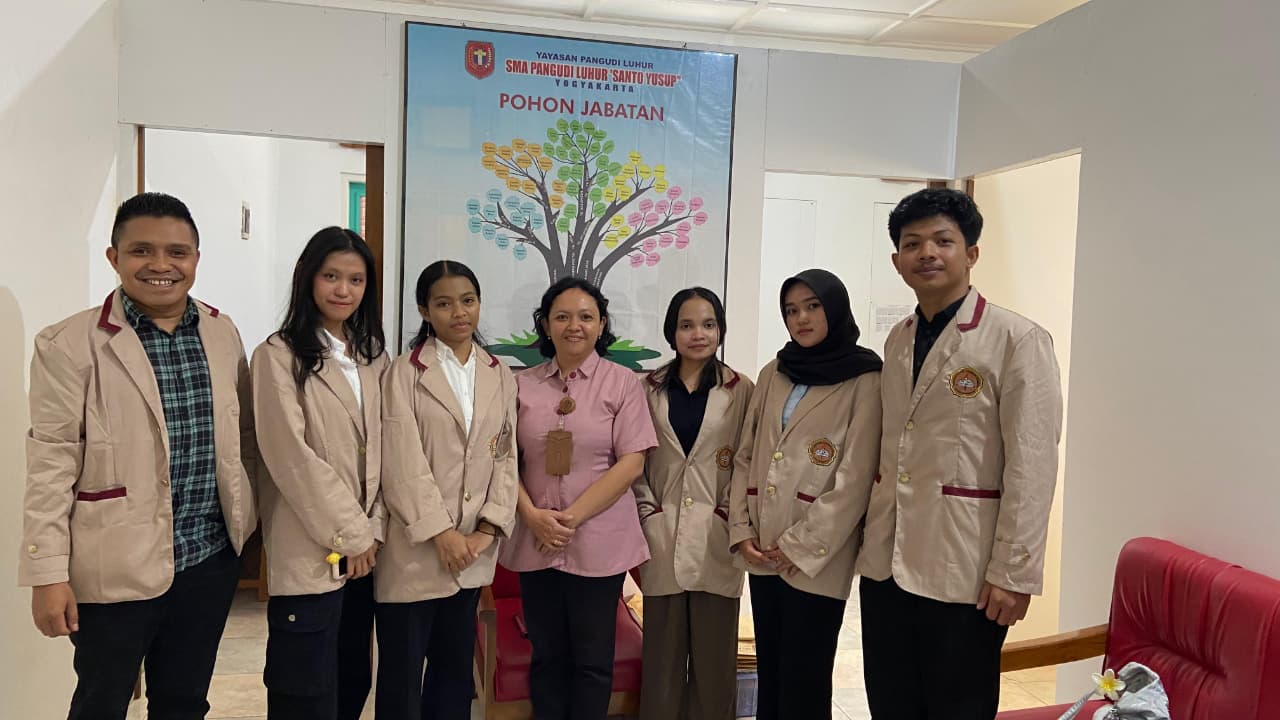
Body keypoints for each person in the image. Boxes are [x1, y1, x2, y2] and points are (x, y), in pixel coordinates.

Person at [19, 192, 257, 720]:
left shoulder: (221, 332)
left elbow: (241, 438)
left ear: (196, 259)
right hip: (114, 564)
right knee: (101, 703)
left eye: (177, 252)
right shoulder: (67, 344)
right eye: (142, 250)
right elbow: (50, 465)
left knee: (184, 702)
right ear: (114, 257)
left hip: (207, 559)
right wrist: (47, 574)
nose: (161, 265)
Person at [858, 188, 1063, 719]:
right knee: (891, 703)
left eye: (942, 241)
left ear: (971, 253)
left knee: (957, 706)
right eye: (912, 243)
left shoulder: (1017, 339)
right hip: (887, 564)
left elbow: (1033, 465)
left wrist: (1014, 572)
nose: (927, 253)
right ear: (897, 261)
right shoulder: (899, 340)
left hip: (965, 568)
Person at [499, 277, 659, 720]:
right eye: (563, 317)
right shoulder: (520, 385)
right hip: (535, 538)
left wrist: (567, 518)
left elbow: (632, 463)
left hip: (598, 543)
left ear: (601, 324)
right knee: (547, 656)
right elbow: (503, 460)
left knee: (592, 662)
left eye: (586, 317)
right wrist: (532, 515)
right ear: (545, 324)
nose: (574, 326)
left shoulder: (622, 383)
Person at [727, 268, 882, 720]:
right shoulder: (775, 371)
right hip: (763, 546)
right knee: (772, 673)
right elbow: (746, 454)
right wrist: (741, 529)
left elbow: (857, 476)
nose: (802, 319)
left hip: (817, 554)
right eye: (792, 310)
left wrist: (800, 546)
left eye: (813, 307)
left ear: (835, 308)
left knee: (805, 678)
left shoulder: (866, 378)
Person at [252, 226, 388, 720]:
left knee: (352, 679)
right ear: (306, 276)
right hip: (312, 550)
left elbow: (385, 453)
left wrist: (371, 531)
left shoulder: (372, 358)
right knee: (305, 692)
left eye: (356, 280)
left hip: (366, 556)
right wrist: (353, 535)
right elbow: (292, 458)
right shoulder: (277, 356)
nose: (343, 290)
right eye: (331, 276)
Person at [375, 260, 518, 720]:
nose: (459, 313)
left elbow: (506, 456)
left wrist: (487, 530)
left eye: (468, 301)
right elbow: (401, 461)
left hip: (473, 551)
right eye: (444, 303)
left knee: (454, 675)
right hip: (417, 550)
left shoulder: (499, 373)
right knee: (401, 679)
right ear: (424, 310)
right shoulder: (403, 373)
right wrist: (442, 532)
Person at [634, 287, 753, 720]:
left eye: (708, 324)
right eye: (687, 325)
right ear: (672, 331)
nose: (698, 334)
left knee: (714, 666)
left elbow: (747, 461)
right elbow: (634, 460)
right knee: (661, 666)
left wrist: (727, 515)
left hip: (716, 534)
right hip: (661, 532)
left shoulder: (741, 390)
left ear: (720, 330)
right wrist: (647, 512)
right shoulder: (646, 389)